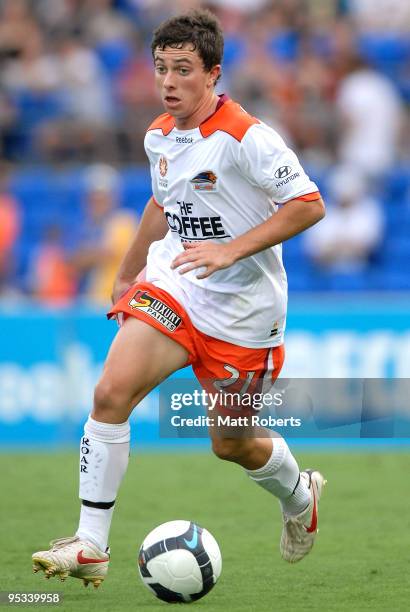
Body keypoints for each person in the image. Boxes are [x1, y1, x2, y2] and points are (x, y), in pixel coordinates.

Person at [32, 9, 326, 588]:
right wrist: (127, 273)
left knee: (231, 442)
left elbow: (309, 204)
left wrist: (232, 249)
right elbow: (162, 203)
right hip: (177, 287)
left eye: (183, 70)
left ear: (213, 74)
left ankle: (300, 494)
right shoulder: (159, 135)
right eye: (161, 68)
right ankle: (91, 544)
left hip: (244, 315)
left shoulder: (247, 137)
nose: (168, 81)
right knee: (111, 391)